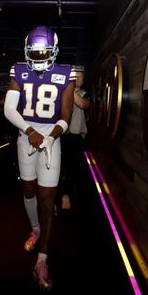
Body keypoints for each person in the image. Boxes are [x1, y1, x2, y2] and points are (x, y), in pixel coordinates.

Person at [4, 25, 76, 290]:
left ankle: (42, 259)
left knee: (48, 200)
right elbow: (10, 109)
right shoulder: (19, 70)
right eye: (34, 52)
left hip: (50, 139)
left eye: (44, 51)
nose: (39, 56)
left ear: (54, 50)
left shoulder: (67, 73)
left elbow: (66, 116)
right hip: (26, 134)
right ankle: (35, 228)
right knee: (29, 191)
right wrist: (30, 131)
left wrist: (50, 136)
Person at [60, 65, 91, 210]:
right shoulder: (62, 92)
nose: (77, 79)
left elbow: (83, 104)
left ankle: (71, 194)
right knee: (61, 168)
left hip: (76, 137)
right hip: (61, 136)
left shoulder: (84, 93)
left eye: (79, 77)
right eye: (75, 77)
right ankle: (61, 196)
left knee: (75, 168)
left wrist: (69, 88)